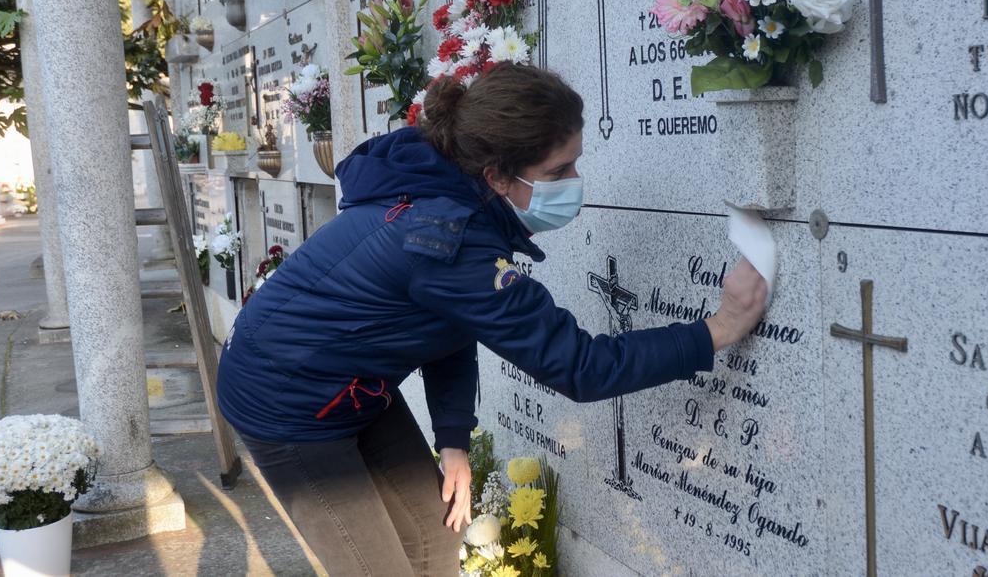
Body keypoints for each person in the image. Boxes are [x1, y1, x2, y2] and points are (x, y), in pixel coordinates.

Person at [216, 63, 769, 576]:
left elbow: (448, 323)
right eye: (559, 169)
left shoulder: (453, 197)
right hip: (286, 407)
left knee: (436, 543)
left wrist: (453, 435)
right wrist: (718, 329)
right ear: (498, 176)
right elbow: (581, 367)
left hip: (347, 385)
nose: (575, 180)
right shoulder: (449, 240)